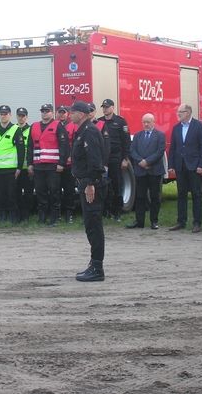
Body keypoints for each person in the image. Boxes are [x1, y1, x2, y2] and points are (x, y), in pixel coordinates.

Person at [69, 101, 107, 282]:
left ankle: (97, 268)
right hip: (85, 182)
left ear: (82, 114)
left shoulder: (89, 131)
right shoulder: (82, 130)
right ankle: (94, 264)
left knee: (94, 225)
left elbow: (95, 160)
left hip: (91, 184)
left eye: (73, 112)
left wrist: (91, 183)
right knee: (90, 225)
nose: (70, 114)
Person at [168, 104, 202, 233]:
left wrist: (201, 165)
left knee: (196, 194)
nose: (178, 114)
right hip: (180, 166)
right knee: (181, 194)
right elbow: (173, 148)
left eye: (181, 112)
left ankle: (197, 222)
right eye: (178, 112)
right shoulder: (176, 128)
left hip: (194, 165)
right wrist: (171, 165)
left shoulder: (198, 126)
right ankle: (181, 221)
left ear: (188, 112)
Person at [28, 103, 68, 225]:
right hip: (38, 166)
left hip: (53, 166)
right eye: (43, 111)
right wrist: (30, 163)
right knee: (40, 192)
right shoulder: (34, 126)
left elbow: (64, 146)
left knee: (54, 192)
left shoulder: (58, 126)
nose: (45, 113)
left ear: (52, 113)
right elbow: (30, 147)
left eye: (47, 111)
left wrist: (62, 163)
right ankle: (42, 217)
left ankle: (54, 218)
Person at [126, 113, 166, 229]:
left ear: (154, 122)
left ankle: (154, 221)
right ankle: (139, 221)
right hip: (141, 171)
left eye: (148, 122)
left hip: (154, 171)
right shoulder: (138, 136)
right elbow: (132, 151)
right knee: (140, 197)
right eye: (144, 122)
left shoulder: (160, 136)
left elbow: (160, 151)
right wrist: (141, 161)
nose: (146, 124)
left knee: (155, 197)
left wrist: (148, 162)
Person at [0, 105, 25, 224]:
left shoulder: (15, 129)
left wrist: (19, 167)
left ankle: (13, 215)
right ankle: (3, 215)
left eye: (6, 114)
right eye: (1, 114)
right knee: (0, 194)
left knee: (11, 194)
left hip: (11, 169)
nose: (3, 116)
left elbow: (21, 150)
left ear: (10, 115)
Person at [98, 99, 130, 221]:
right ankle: (106, 210)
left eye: (107, 107)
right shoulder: (99, 122)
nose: (105, 109)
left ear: (112, 107)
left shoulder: (120, 122)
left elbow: (126, 142)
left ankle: (117, 212)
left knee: (117, 185)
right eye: (103, 107)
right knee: (104, 186)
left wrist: (125, 159)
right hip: (104, 159)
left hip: (116, 158)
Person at [58, 105, 78, 223]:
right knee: (56, 190)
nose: (61, 114)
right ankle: (58, 213)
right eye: (60, 112)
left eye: (64, 112)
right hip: (57, 163)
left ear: (68, 114)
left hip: (69, 163)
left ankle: (69, 214)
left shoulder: (73, 126)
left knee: (69, 189)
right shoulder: (54, 126)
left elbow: (75, 143)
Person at [15, 107, 34, 222]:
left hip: (27, 167)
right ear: (16, 116)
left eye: (23, 116)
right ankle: (18, 215)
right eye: (19, 116)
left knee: (28, 193)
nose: (21, 118)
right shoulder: (13, 129)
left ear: (27, 117)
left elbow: (32, 148)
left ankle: (26, 215)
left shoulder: (31, 130)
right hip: (16, 167)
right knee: (16, 192)